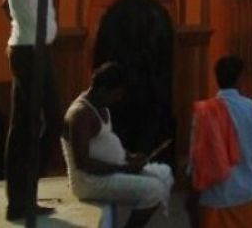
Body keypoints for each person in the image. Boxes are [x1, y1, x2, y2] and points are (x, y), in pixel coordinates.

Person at [3, 0, 81, 221]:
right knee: (47, 122)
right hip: (32, 54)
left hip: (30, 49)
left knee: (25, 126)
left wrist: (18, 31)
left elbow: (5, 4)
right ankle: (23, 196)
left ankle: (21, 200)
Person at [61, 62, 174, 228]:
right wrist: (123, 168)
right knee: (154, 190)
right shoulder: (81, 115)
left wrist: (129, 157)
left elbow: (106, 141)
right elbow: (82, 163)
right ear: (102, 89)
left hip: (109, 171)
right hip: (89, 182)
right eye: (116, 94)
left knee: (164, 174)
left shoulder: (101, 107)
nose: (118, 99)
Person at [188, 56, 252, 228]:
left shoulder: (203, 113)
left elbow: (194, 160)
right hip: (246, 195)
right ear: (240, 78)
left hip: (214, 198)